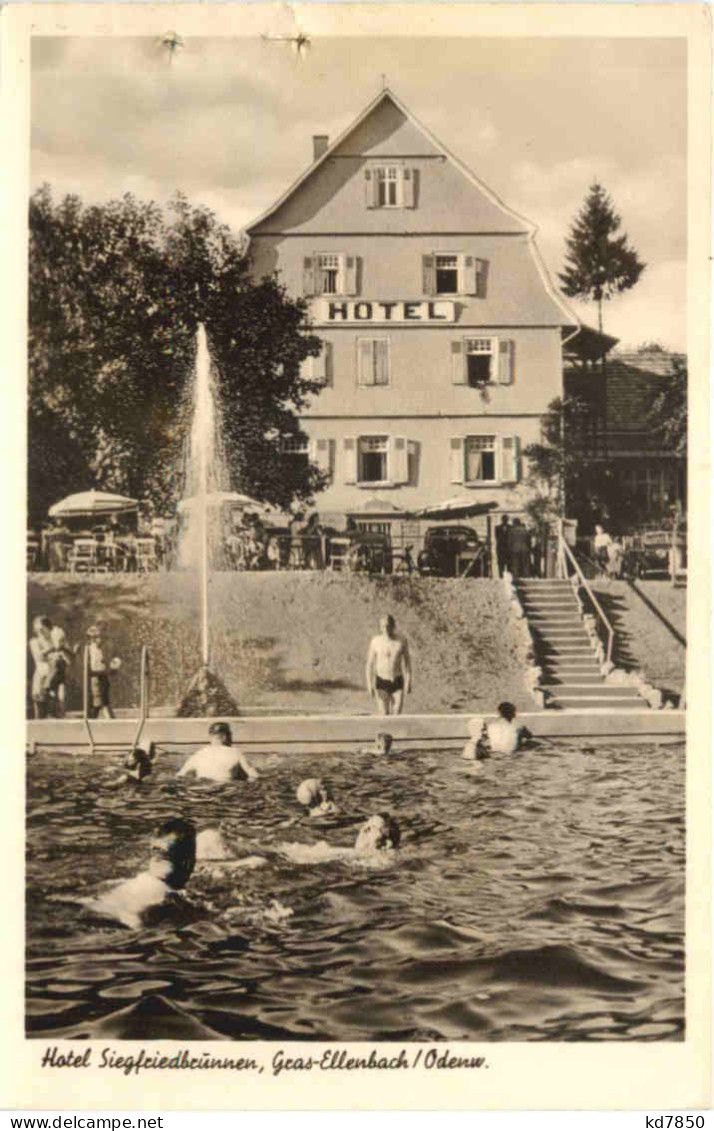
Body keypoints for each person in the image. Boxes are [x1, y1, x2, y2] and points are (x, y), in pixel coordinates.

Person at [77, 818, 197, 929]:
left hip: (90, 906)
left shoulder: (136, 881)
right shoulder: (169, 896)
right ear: (188, 862)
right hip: (116, 921)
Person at [176, 721, 258, 783]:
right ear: (225, 737)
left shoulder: (199, 754)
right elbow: (254, 776)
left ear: (210, 736)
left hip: (202, 788)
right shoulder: (235, 752)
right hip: (226, 789)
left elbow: (180, 776)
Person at [366, 614, 412, 716]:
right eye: (383, 626)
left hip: (397, 680)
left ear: (393, 626)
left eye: (388, 626)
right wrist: (369, 684)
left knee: (396, 713)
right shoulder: (375, 641)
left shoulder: (401, 641)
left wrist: (408, 681)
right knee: (384, 714)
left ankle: (396, 732)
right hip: (382, 681)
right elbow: (369, 665)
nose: (386, 628)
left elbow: (407, 663)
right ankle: (384, 732)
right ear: (380, 627)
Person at [86, 624, 121, 719]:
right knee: (100, 703)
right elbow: (93, 668)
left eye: (100, 638)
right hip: (97, 678)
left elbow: (104, 665)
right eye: (96, 638)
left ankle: (109, 722)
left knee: (101, 703)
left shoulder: (99, 650)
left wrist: (112, 668)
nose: (99, 640)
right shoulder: (91, 649)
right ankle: (109, 722)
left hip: (100, 678)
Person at [46, 619, 78, 718]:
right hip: (56, 671)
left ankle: (59, 712)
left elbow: (61, 649)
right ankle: (55, 712)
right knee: (55, 693)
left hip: (60, 670)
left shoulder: (58, 636)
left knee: (58, 693)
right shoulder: (52, 649)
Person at [29, 616, 53, 719]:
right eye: (37, 630)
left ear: (49, 628)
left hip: (54, 678)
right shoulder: (34, 642)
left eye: (42, 629)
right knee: (39, 709)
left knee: (55, 709)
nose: (40, 632)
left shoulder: (55, 639)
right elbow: (39, 657)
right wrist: (54, 648)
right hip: (41, 676)